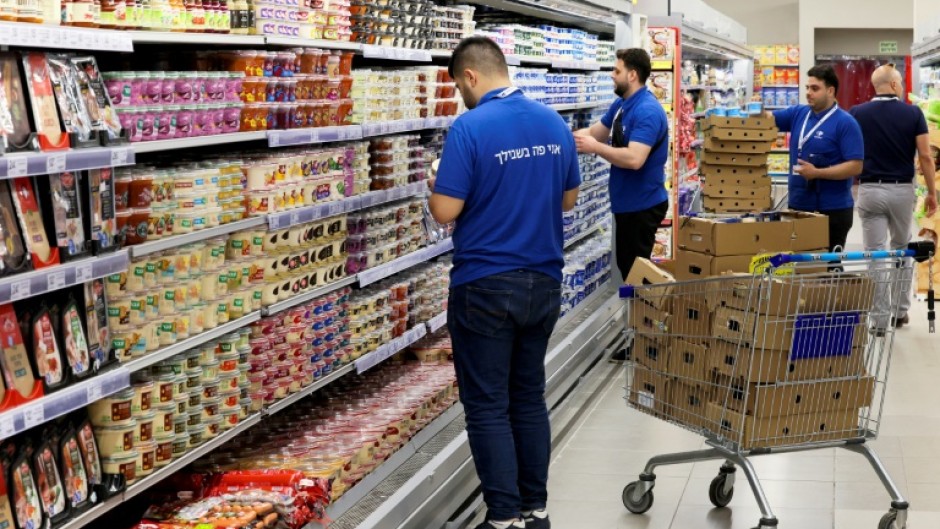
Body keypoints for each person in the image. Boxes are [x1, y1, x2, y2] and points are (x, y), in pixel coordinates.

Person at [429, 36, 580, 529]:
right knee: (528, 396)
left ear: (470, 76)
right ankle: (536, 510)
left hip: (485, 284)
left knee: (488, 405)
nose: (459, 96)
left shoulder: (470, 128)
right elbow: (570, 199)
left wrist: (436, 186)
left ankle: (502, 517)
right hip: (544, 280)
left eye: (457, 85)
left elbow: (446, 211)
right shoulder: (553, 122)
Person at [573, 47, 669, 363]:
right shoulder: (621, 104)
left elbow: (634, 158)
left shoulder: (647, 111)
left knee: (638, 276)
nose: (611, 76)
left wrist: (597, 148)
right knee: (630, 273)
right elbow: (593, 133)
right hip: (627, 206)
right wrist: (559, 137)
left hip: (642, 207)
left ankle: (646, 341)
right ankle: (640, 336)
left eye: (616, 71)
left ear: (632, 74)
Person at [849, 63, 938, 328]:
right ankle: (899, 312)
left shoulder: (857, 113)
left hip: (869, 190)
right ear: (896, 85)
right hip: (902, 190)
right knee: (901, 249)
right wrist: (932, 193)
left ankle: (877, 319)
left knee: (875, 253)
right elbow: (925, 157)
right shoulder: (913, 114)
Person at [765, 64, 864, 251]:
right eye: (807, 88)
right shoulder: (798, 113)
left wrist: (817, 173)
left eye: (815, 88)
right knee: (800, 267)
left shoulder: (846, 123)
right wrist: (756, 110)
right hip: (798, 205)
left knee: (827, 268)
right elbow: (768, 119)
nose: (809, 93)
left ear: (830, 90)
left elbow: (855, 166)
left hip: (832, 210)